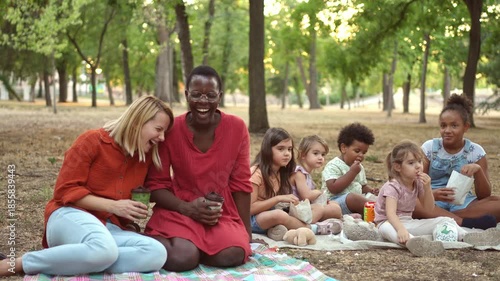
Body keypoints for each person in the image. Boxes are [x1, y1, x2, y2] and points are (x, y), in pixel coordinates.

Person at [0, 95, 173, 276]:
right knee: (104, 249)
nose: (161, 138)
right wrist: (114, 206)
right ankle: (17, 264)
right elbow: (64, 191)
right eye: (158, 129)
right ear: (137, 122)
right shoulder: (92, 141)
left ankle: (81, 260)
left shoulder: (142, 158)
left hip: (108, 228)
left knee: (156, 253)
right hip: (68, 216)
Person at [143, 65, 252, 272]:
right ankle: (182, 246)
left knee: (234, 253)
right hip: (179, 208)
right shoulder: (172, 128)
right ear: (186, 95)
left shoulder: (237, 128)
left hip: (219, 212)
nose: (203, 101)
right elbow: (156, 185)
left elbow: (241, 184)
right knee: (183, 258)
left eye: (210, 95)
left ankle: (195, 246)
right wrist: (188, 208)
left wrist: (247, 233)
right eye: (196, 95)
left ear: (219, 96)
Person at [414, 94, 499, 229]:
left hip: (464, 203)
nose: (447, 131)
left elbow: (484, 195)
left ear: (466, 127)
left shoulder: (475, 151)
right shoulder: (429, 147)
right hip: (432, 201)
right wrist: (433, 195)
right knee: (410, 203)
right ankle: (461, 220)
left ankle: (442, 216)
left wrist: (478, 170)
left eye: (454, 126)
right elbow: (416, 185)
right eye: (443, 125)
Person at [374, 140, 469, 257]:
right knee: (388, 230)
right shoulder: (392, 186)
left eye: (419, 161)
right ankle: (416, 244)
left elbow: (429, 209)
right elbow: (390, 214)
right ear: (397, 167)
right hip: (388, 223)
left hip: (408, 222)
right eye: (411, 163)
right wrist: (401, 230)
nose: (418, 166)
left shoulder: (417, 183)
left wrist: (427, 187)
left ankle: (466, 237)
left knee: (446, 220)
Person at [250, 128, 341, 241]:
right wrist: (278, 199)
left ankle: (281, 229)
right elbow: (250, 208)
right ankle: (313, 229)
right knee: (279, 215)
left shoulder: (281, 172)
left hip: (272, 212)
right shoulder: (256, 173)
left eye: (289, 149)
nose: (287, 153)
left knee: (317, 208)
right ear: (267, 150)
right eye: (280, 149)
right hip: (252, 220)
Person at [321, 122, 379, 217]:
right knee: (352, 198)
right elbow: (333, 188)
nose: (361, 155)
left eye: (364, 153)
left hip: (354, 204)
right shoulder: (333, 165)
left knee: (374, 198)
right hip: (334, 203)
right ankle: (380, 213)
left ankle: (378, 212)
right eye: (357, 151)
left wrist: (371, 191)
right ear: (343, 148)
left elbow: (362, 186)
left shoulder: (359, 167)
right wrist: (352, 172)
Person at [289, 135, 342, 223]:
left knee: (335, 205)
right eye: (316, 153)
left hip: (304, 208)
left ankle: (317, 219)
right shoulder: (299, 173)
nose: (320, 157)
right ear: (303, 155)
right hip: (294, 209)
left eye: (323, 154)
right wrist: (319, 192)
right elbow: (307, 196)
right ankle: (307, 225)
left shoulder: (307, 175)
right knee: (324, 209)